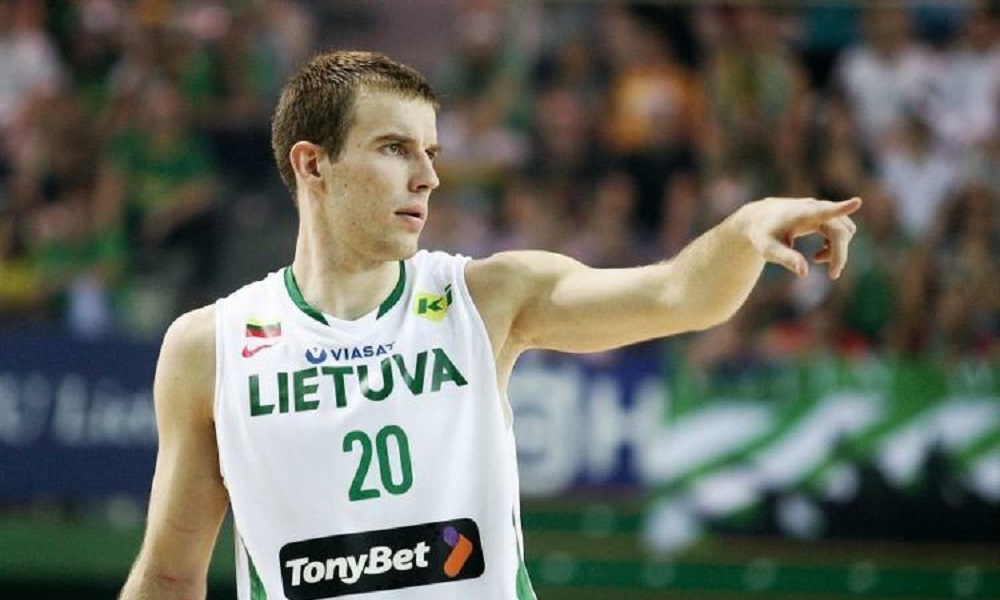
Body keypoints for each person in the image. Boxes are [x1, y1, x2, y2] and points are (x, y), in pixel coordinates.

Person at [118, 50, 861, 600]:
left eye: (431, 152)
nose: (428, 176)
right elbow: (171, 576)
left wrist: (746, 228)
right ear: (313, 165)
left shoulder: (487, 297)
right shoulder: (211, 346)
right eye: (394, 149)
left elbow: (677, 296)